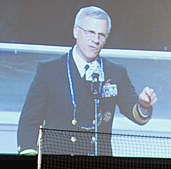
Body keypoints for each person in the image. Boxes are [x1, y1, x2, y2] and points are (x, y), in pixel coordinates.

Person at [17, 6, 157, 156]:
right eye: (90, 33)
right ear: (76, 31)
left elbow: (136, 114)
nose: (96, 40)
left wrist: (144, 106)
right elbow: (29, 120)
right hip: (57, 164)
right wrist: (29, 158)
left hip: (98, 167)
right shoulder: (50, 70)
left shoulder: (116, 73)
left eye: (101, 35)